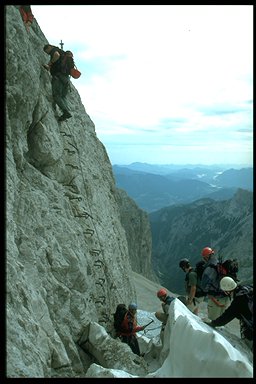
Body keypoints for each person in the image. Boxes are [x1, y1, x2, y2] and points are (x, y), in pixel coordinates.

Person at [204, 277, 253, 351]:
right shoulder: (247, 288)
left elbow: (226, 317)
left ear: (227, 291)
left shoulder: (238, 300)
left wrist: (213, 323)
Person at [43, 44, 72, 122]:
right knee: (63, 96)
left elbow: (56, 55)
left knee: (56, 95)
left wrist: (49, 64)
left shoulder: (54, 50)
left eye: (47, 51)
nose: (48, 53)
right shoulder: (63, 53)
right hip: (66, 77)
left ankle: (65, 112)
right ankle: (67, 111)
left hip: (58, 77)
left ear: (49, 48)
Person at [200, 247, 231, 320]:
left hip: (215, 299)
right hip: (226, 297)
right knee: (222, 321)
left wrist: (208, 292)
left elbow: (204, 286)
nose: (204, 259)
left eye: (204, 257)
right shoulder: (219, 264)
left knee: (213, 321)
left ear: (207, 256)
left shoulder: (209, 268)